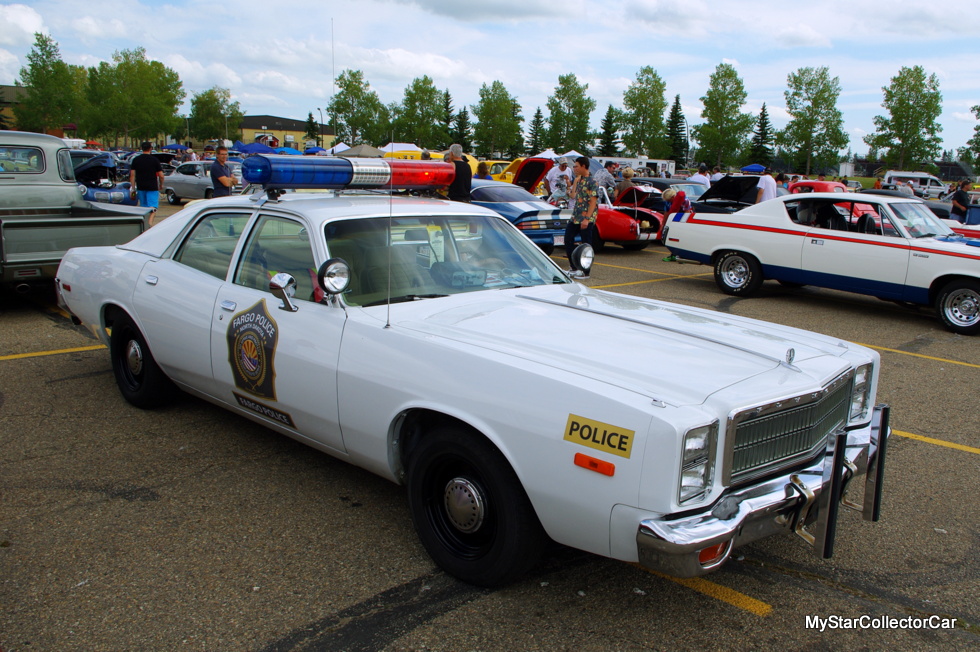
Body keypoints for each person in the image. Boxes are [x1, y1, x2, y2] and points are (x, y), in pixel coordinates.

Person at [565, 156, 598, 278]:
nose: (574, 169)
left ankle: (585, 271)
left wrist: (587, 219)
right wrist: (574, 183)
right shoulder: (579, 180)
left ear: (584, 166)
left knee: (586, 244)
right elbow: (573, 196)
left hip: (586, 218)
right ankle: (573, 267)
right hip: (575, 217)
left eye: (576, 166)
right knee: (568, 239)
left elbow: (593, 202)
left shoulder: (592, 181)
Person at [128, 141, 164, 226]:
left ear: (141, 148)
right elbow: (161, 175)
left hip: (141, 186)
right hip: (152, 187)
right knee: (153, 207)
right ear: (151, 149)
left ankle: (144, 224)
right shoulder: (154, 160)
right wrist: (161, 184)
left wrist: (133, 188)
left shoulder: (136, 160)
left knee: (143, 207)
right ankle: (150, 224)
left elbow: (132, 175)